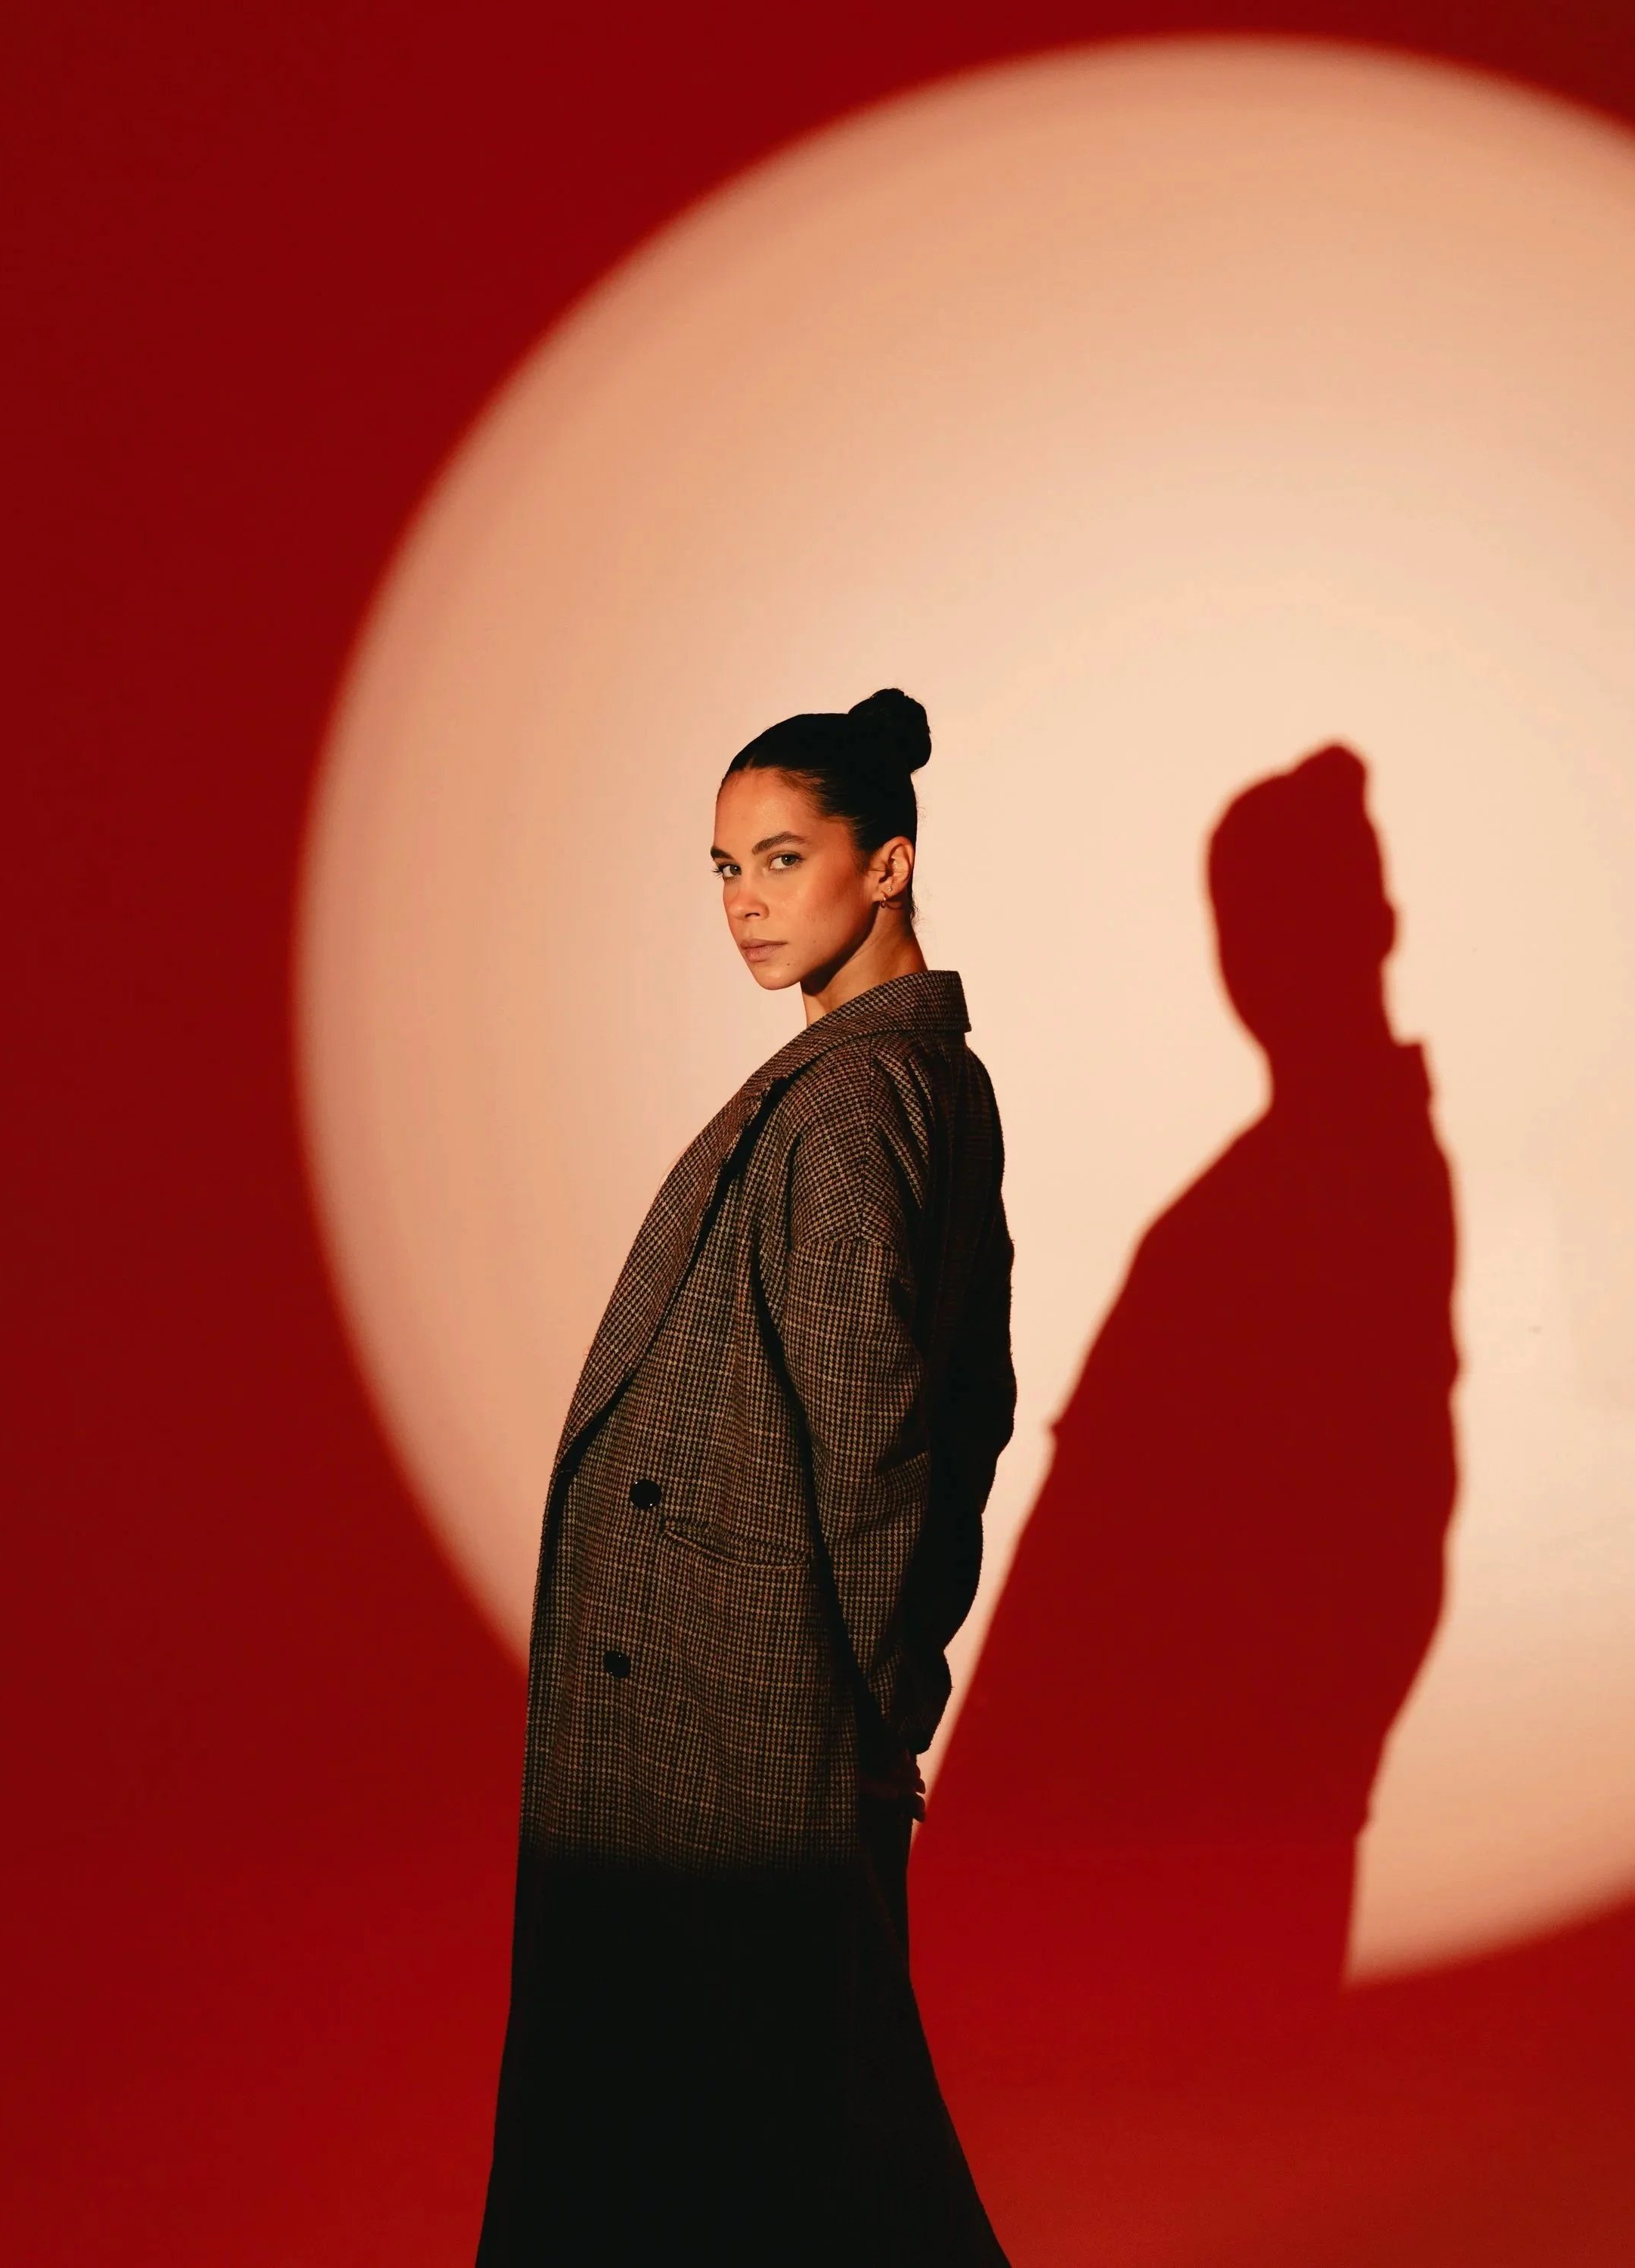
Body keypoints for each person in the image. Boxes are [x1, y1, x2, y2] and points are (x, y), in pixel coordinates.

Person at [477, 689, 1017, 2266]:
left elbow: (879, 1441)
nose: (747, 904)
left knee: (784, 2132)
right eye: (722, 869)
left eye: (784, 859)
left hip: (748, 1713)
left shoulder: (855, 1100)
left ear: (890, 863)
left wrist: (870, 1703)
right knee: (758, 2127)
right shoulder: (899, 1080)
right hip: (737, 1704)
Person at [915, 742, 1457, 2082]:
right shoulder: (1273, 1203)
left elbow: (1382, 1552)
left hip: (1160, 1897)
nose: (1261, 957)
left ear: (1368, 926)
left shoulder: (1339, 1206)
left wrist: (1273, 1813)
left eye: (1289, 914)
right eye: (1244, 924)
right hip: (1095, 1876)